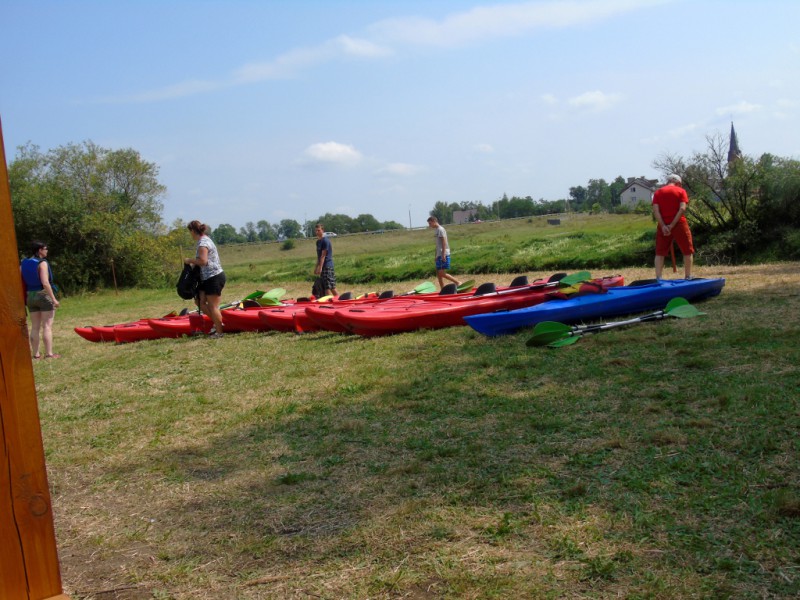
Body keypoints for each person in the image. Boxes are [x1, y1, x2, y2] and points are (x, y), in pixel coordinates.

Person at [184, 220, 226, 338]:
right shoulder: (203, 240)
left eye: (190, 232)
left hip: (214, 277)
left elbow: (203, 261)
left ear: (193, 231)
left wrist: (189, 260)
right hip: (206, 278)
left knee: (213, 306)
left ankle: (219, 332)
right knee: (199, 302)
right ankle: (218, 322)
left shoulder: (203, 243)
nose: (190, 234)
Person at [20, 240, 61, 359]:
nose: (47, 251)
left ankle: (36, 355)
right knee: (47, 326)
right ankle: (49, 354)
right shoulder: (42, 263)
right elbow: (45, 283)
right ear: (40, 250)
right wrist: (54, 299)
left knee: (35, 326)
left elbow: (20, 281)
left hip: (30, 296)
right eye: (45, 249)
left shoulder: (23, 263)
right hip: (42, 294)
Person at [653, 173, 695, 280]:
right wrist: (672, 225)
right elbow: (682, 209)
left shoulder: (657, 193)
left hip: (662, 226)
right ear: (678, 183)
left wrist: (663, 226)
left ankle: (659, 277)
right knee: (687, 250)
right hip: (679, 224)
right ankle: (688, 276)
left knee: (660, 252)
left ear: (667, 181)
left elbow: (656, 211)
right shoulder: (681, 191)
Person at [427, 216, 461, 290]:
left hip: (443, 253)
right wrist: (436, 255)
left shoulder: (440, 229)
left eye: (430, 223)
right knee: (438, 273)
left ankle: (458, 282)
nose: (429, 225)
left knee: (442, 273)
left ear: (434, 221)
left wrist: (443, 254)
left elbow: (443, 242)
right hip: (439, 254)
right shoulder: (436, 230)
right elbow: (437, 244)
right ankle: (443, 289)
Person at [314, 223, 338, 297]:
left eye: (319, 230)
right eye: (316, 231)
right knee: (325, 286)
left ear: (322, 230)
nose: (317, 232)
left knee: (330, 286)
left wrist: (320, 268)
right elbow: (319, 257)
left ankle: (339, 300)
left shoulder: (325, 241)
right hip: (322, 265)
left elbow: (323, 255)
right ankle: (330, 301)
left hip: (327, 265)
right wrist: (316, 268)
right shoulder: (318, 242)